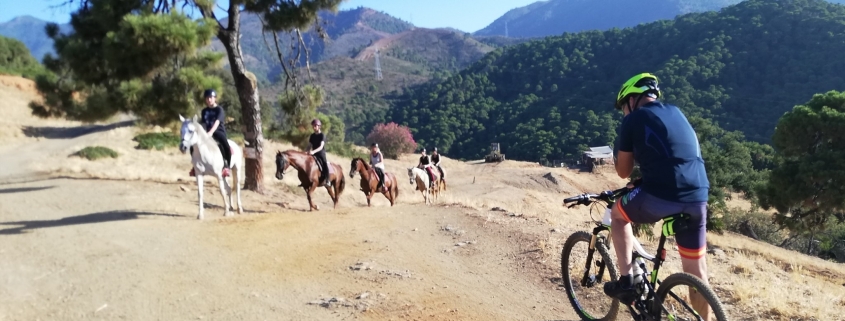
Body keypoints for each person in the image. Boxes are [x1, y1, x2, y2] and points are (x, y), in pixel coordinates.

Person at [604, 73, 711, 319]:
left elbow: (623, 172)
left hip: (662, 193)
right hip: (699, 194)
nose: (623, 112)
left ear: (632, 100)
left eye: (623, 107)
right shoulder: (677, 112)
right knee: (697, 275)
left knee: (617, 215)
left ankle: (626, 282)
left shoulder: (633, 119)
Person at [190, 89, 232, 177]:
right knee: (192, 145)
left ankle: (226, 166)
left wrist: (210, 132)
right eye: (207, 98)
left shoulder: (219, 110)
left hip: (218, 132)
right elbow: (204, 123)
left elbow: (217, 122)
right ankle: (195, 166)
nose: (209, 100)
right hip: (206, 133)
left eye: (210, 98)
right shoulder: (204, 111)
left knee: (225, 145)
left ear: (215, 98)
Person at [309, 118, 331, 187]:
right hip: (313, 153)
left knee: (324, 163)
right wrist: (305, 152)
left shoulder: (322, 135)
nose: (314, 127)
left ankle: (328, 180)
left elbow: (321, 147)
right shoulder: (312, 136)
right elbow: (309, 145)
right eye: (313, 126)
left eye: (315, 125)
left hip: (321, 153)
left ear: (319, 126)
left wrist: (313, 151)